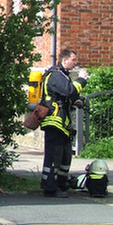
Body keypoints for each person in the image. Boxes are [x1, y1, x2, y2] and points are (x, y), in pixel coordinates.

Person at [39, 48, 89, 198]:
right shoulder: (55, 74)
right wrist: (82, 79)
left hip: (62, 123)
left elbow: (68, 95)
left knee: (65, 156)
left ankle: (61, 185)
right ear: (64, 60)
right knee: (54, 156)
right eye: (73, 60)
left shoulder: (63, 75)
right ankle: (50, 188)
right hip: (54, 122)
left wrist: (77, 101)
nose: (76, 63)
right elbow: (69, 90)